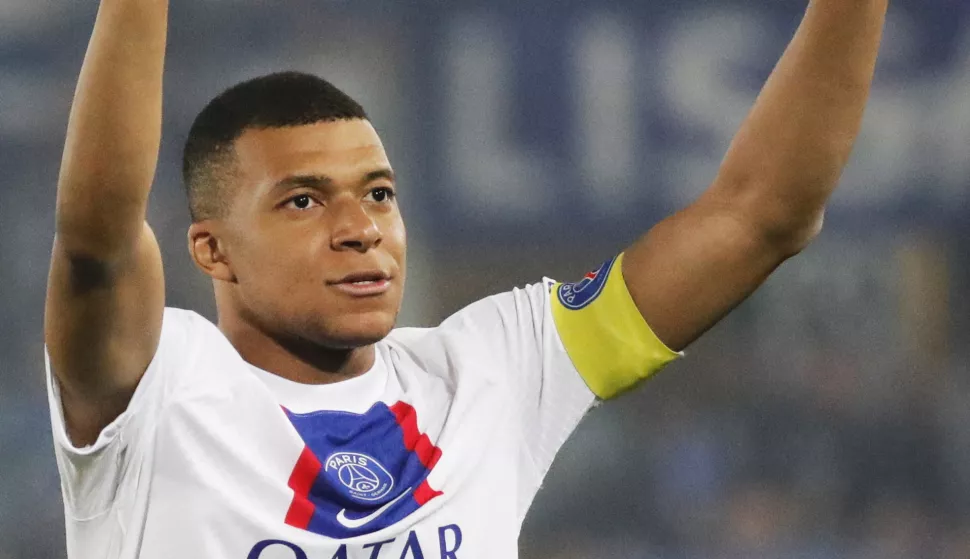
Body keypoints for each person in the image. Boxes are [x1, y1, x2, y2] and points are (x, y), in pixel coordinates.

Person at [43, 0, 889, 557]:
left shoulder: (490, 368)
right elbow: (97, 233)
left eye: (379, 194)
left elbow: (759, 217)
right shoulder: (157, 388)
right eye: (303, 202)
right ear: (211, 251)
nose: (359, 229)